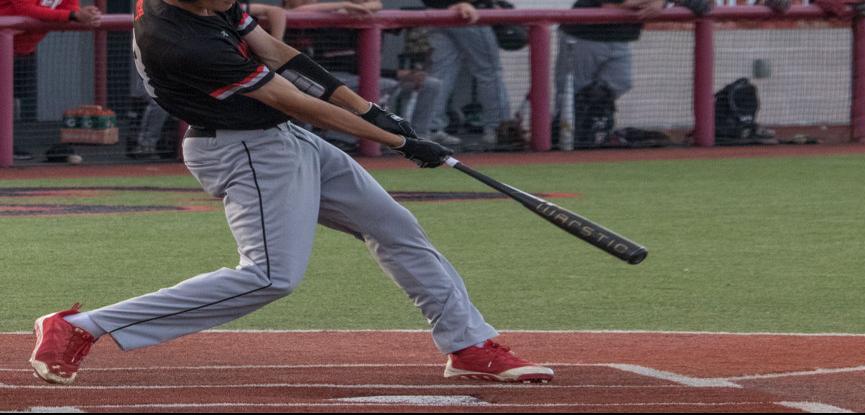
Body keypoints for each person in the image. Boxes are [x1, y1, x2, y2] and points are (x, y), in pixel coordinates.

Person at [28, 0, 554, 386]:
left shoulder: (209, 6)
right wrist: (399, 141)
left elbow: (279, 52)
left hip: (278, 137)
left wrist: (372, 112)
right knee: (271, 276)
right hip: (245, 150)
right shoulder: (178, 40)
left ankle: (466, 344)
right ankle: (81, 326)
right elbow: (294, 100)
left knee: (395, 228)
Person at [282, 0, 455, 146]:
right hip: (328, 77)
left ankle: (420, 139)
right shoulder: (324, 19)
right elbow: (299, 10)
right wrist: (344, 6)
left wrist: (362, 8)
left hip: (366, 77)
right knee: (383, 85)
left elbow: (384, 6)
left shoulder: (358, 15)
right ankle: (344, 139)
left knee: (431, 84)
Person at [127, 1, 287, 159]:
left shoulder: (224, 8)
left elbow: (276, 12)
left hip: (236, 105)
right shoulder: (166, 23)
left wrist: (271, 48)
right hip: (188, 87)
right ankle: (146, 144)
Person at [555, 0, 711, 118]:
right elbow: (620, 3)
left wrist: (661, 2)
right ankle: (562, 143)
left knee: (620, 83)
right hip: (583, 35)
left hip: (620, 38)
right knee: (571, 92)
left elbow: (702, 4)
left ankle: (589, 132)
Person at [0, 0, 102, 160]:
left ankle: (5, 145)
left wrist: (85, 15)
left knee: (10, 99)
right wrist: (73, 15)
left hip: (22, 48)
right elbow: (25, 9)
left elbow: (70, 7)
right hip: (4, 41)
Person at [420, 1, 509, 146]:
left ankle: (431, 128)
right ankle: (498, 129)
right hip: (468, 14)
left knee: (441, 74)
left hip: (437, 13)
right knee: (489, 73)